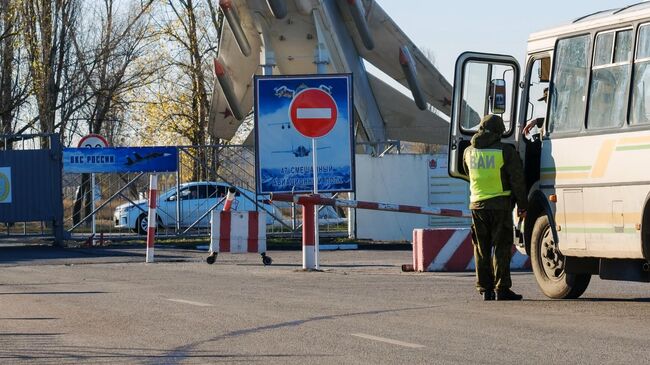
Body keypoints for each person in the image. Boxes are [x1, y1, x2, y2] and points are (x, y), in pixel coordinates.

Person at [463, 114, 528, 301]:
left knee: (481, 248)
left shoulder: (468, 152)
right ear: (499, 132)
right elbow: (518, 181)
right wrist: (523, 205)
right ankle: (502, 288)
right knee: (501, 247)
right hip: (500, 206)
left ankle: (485, 288)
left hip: (476, 206)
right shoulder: (505, 151)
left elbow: (468, 174)